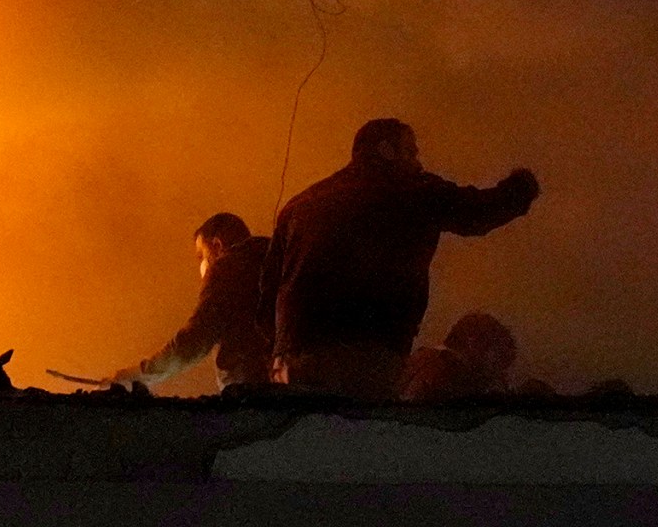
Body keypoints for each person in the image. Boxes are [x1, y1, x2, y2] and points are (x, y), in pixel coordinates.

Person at [260, 118, 538, 399]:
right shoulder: (411, 190)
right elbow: (479, 213)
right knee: (357, 437)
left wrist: (278, 350)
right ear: (387, 150)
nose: (418, 163)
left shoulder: (300, 204)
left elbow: (268, 289)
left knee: (299, 439)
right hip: (365, 354)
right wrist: (522, 186)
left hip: (288, 360)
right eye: (411, 152)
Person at [110, 213, 274, 390]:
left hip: (250, 394)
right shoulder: (275, 262)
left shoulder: (227, 269)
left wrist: (138, 375)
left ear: (217, 246)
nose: (201, 266)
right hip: (290, 389)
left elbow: (194, 341)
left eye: (200, 256)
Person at [401, 310, 518, 402]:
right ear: (474, 342)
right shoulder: (442, 369)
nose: (501, 372)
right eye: (497, 362)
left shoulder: (426, 360)